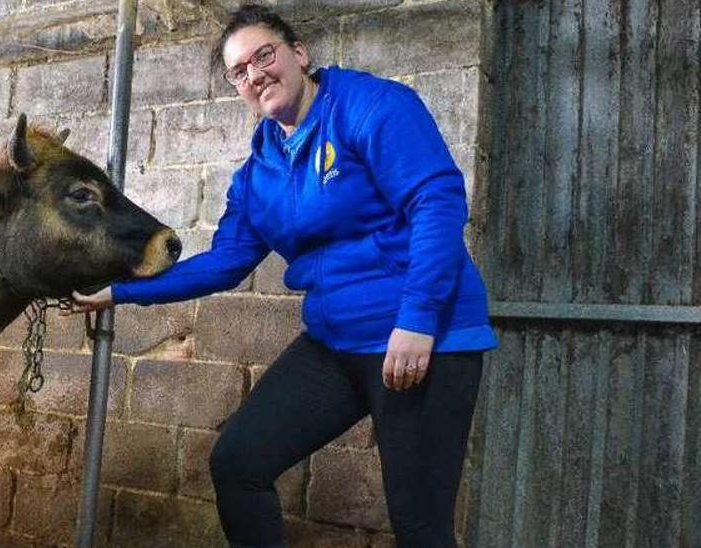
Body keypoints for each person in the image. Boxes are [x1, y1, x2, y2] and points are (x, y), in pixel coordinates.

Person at [67, 3, 497, 547]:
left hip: (424, 336)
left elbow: (436, 203)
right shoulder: (258, 174)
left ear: (299, 54)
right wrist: (123, 291)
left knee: (421, 527)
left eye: (263, 55)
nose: (255, 75)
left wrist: (417, 321)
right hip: (337, 340)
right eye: (239, 72)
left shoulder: (373, 106)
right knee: (239, 463)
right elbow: (226, 261)